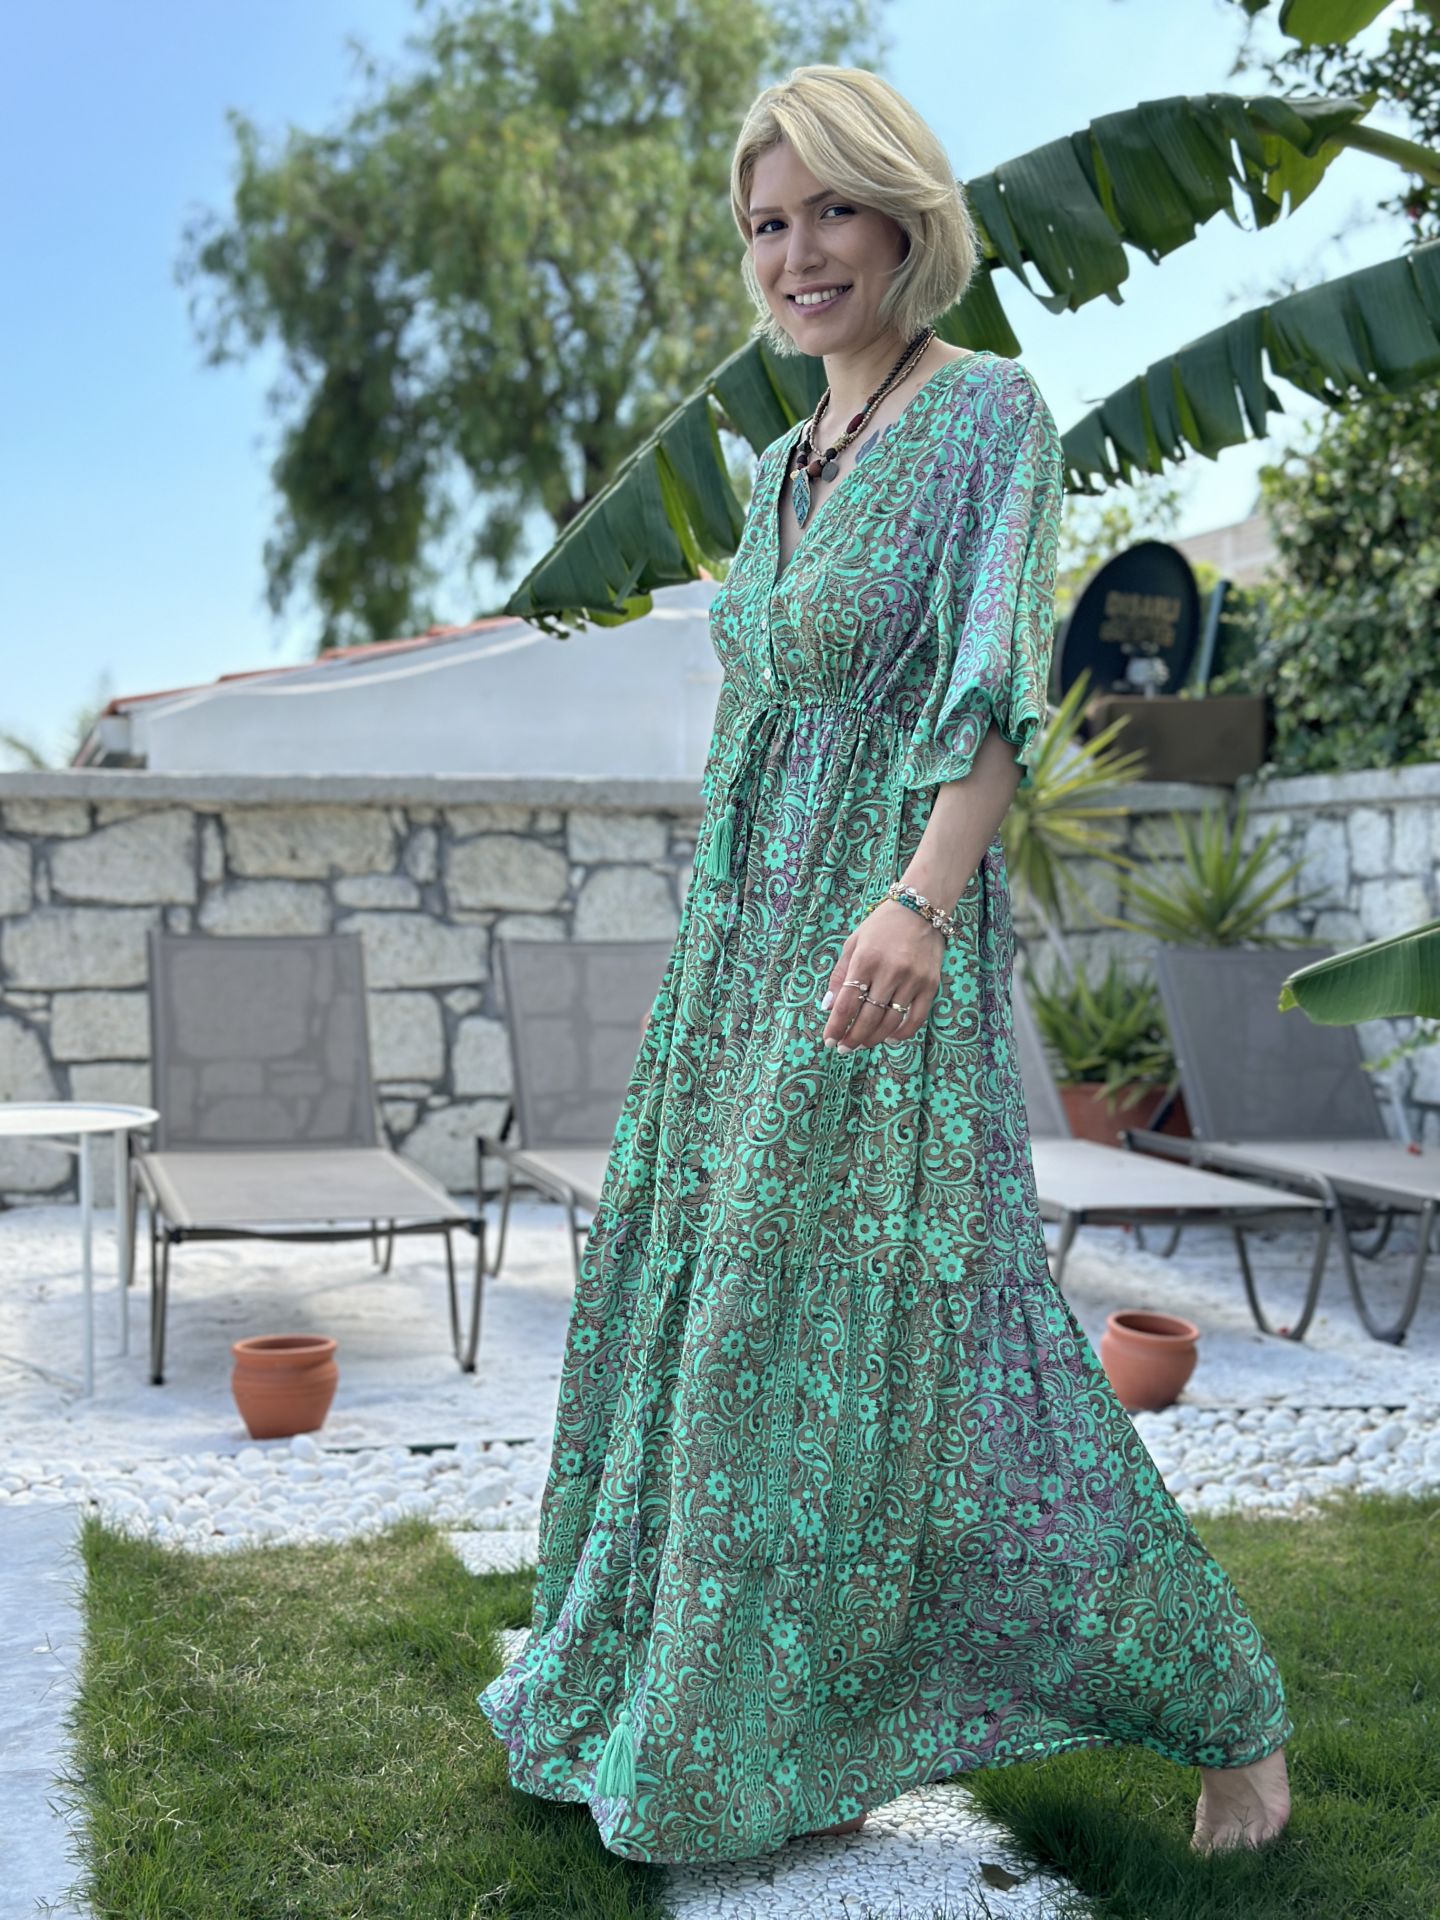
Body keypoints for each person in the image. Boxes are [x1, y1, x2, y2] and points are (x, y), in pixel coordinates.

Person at [477, 62, 1292, 1866]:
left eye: (829, 210)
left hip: (880, 952)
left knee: (882, 1349)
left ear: (906, 215)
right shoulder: (781, 464)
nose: (797, 254)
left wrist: (917, 902)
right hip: (740, 959)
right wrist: (719, 960)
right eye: (767, 225)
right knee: (721, 1336)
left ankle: (1228, 1710)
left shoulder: (987, 414)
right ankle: (735, 1718)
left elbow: (989, 696)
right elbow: (764, 734)